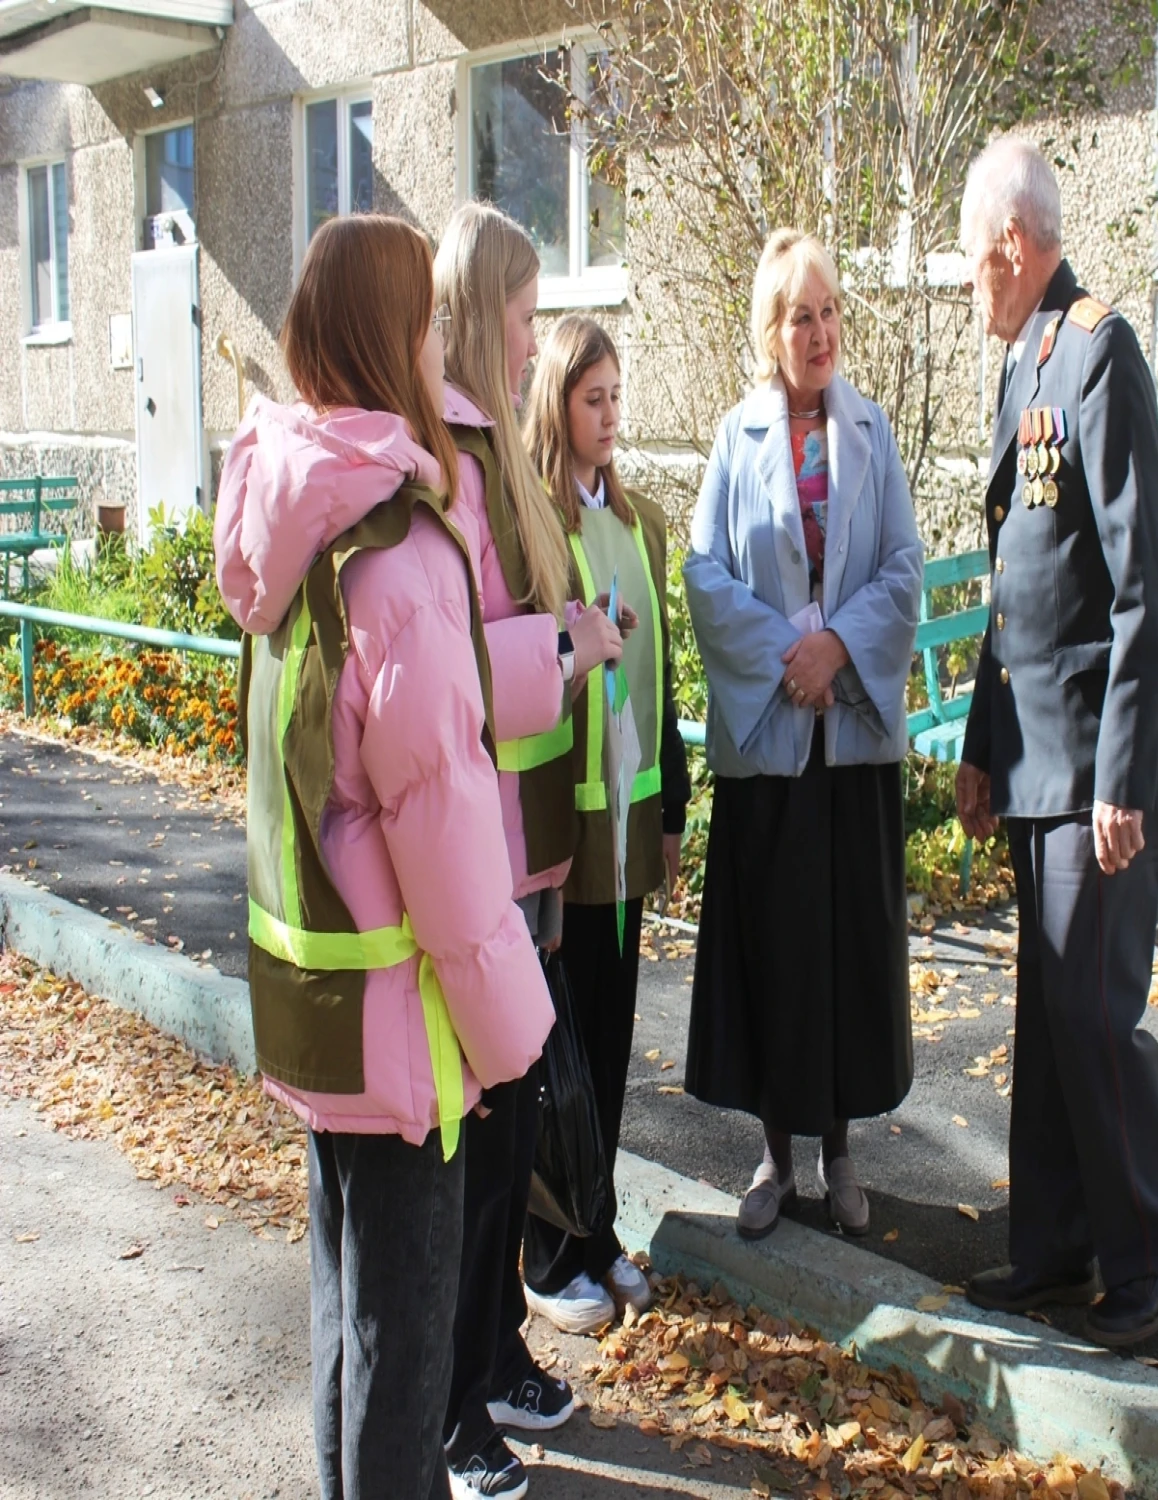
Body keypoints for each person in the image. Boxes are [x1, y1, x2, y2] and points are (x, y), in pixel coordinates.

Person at [214, 214, 554, 1500]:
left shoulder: (289, 520)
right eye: (420, 325)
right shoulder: (400, 549)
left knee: (344, 1324)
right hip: (406, 1029)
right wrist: (514, 1031)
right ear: (382, 342)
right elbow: (447, 829)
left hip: (317, 1013)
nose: (437, 348)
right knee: (403, 1352)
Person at [953, 136, 1158, 1346]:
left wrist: (1122, 780)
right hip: (1035, 759)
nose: (967, 289)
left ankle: (1154, 1252)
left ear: (1013, 242)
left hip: (1093, 767)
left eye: (969, 264)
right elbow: (1020, 589)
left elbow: (1140, 580)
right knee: (1048, 1022)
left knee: (1096, 1017)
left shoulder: (1097, 351)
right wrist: (982, 745)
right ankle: (1051, 1251)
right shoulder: (1024, 363)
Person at [434, 204, 624, 1498]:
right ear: (478, 307)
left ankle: (493, 1358)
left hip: (526, 853)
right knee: (484, 1152)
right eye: (521, 311)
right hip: (484, 860)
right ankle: (456, 1412)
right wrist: (568, 648)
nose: (529, 336)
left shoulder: (490, 443)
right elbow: (454, 666)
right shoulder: (451, 453)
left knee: (507, 1147)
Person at [682, 230, 923, 1241]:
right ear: (769, 332)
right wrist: (794, 655)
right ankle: (775, 1158)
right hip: (775, 742)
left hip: (848, 747)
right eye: (799, 315)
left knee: (845, 952)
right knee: (776, 951)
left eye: (828, 312)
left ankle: (841, 1154)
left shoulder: (872, 430)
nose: (818, 331)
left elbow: (904, 567)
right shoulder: (736, 441)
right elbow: (702, 574)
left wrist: (841, 653)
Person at [520, 314, 691, 1330]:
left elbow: (663, 681)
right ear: (557, 403)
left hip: (628, 822)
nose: (610, 416)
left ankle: (601, 1225)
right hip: (567, 831)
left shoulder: (642, 524)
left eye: (617, 396)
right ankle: (552, 1250)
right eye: (593, 399)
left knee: (617, 1034)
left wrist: (670, 802)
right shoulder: (537, 526)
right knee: (564, 1044)